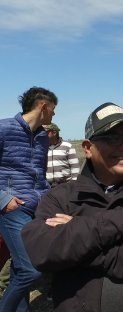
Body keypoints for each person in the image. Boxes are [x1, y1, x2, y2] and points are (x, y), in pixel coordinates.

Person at [21, 102, 123, 311]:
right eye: (114, 138)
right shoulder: (62, 197)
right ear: (88, 148)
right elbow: (41, 249)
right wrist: (120, 224)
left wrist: (78, 238)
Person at [0, 87, 57, 311]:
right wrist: (4, 200)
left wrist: (48, 198)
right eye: (53, 109)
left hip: (38, 208)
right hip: (13, 208)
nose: (54, 115)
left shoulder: (43, 137)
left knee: (19, 267)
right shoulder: (3, 128)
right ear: (43, 106)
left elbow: (40, 174)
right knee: (32, 270)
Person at [45, 123, 80, 187]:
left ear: (54, 133)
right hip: (48, 187)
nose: (43, 134)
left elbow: (75, 167)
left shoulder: (67, 146)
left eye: (46, 132)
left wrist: (74, 184)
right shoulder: (43, 148)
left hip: (65, 186)